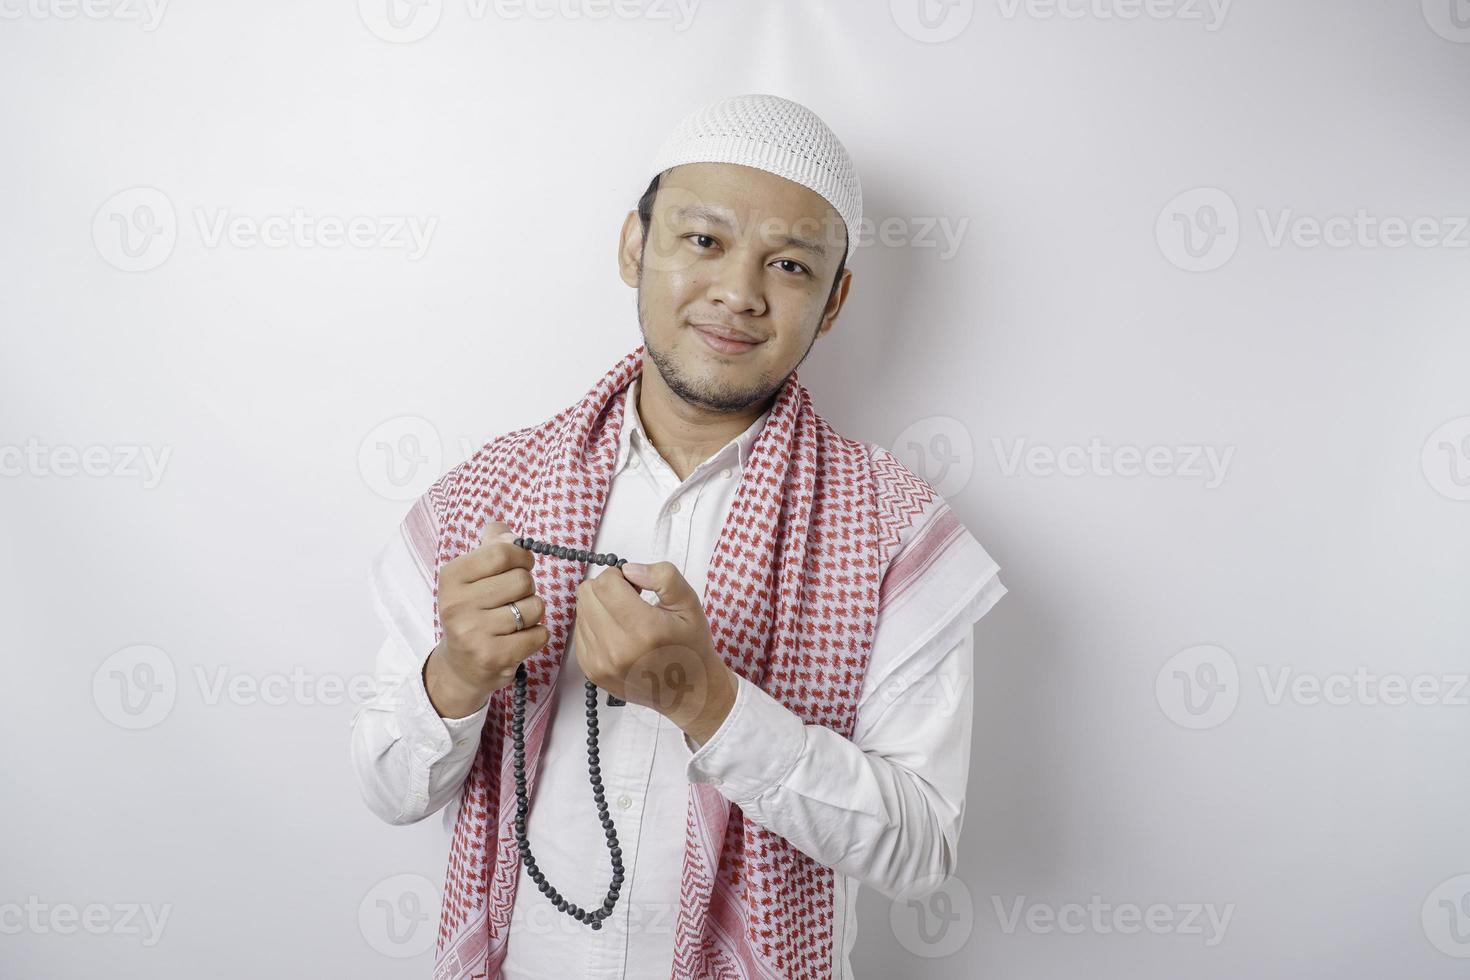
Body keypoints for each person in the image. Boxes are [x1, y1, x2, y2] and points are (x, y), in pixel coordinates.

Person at [349, 92, 1007, 980]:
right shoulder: (484, 498)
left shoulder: (892, 531)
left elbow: (921, 848)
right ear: (635, 246)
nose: (738, 293)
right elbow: (390, 791)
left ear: (836, 299)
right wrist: (458, 676)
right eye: (703, 241)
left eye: (790, 266)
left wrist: (709, 702)